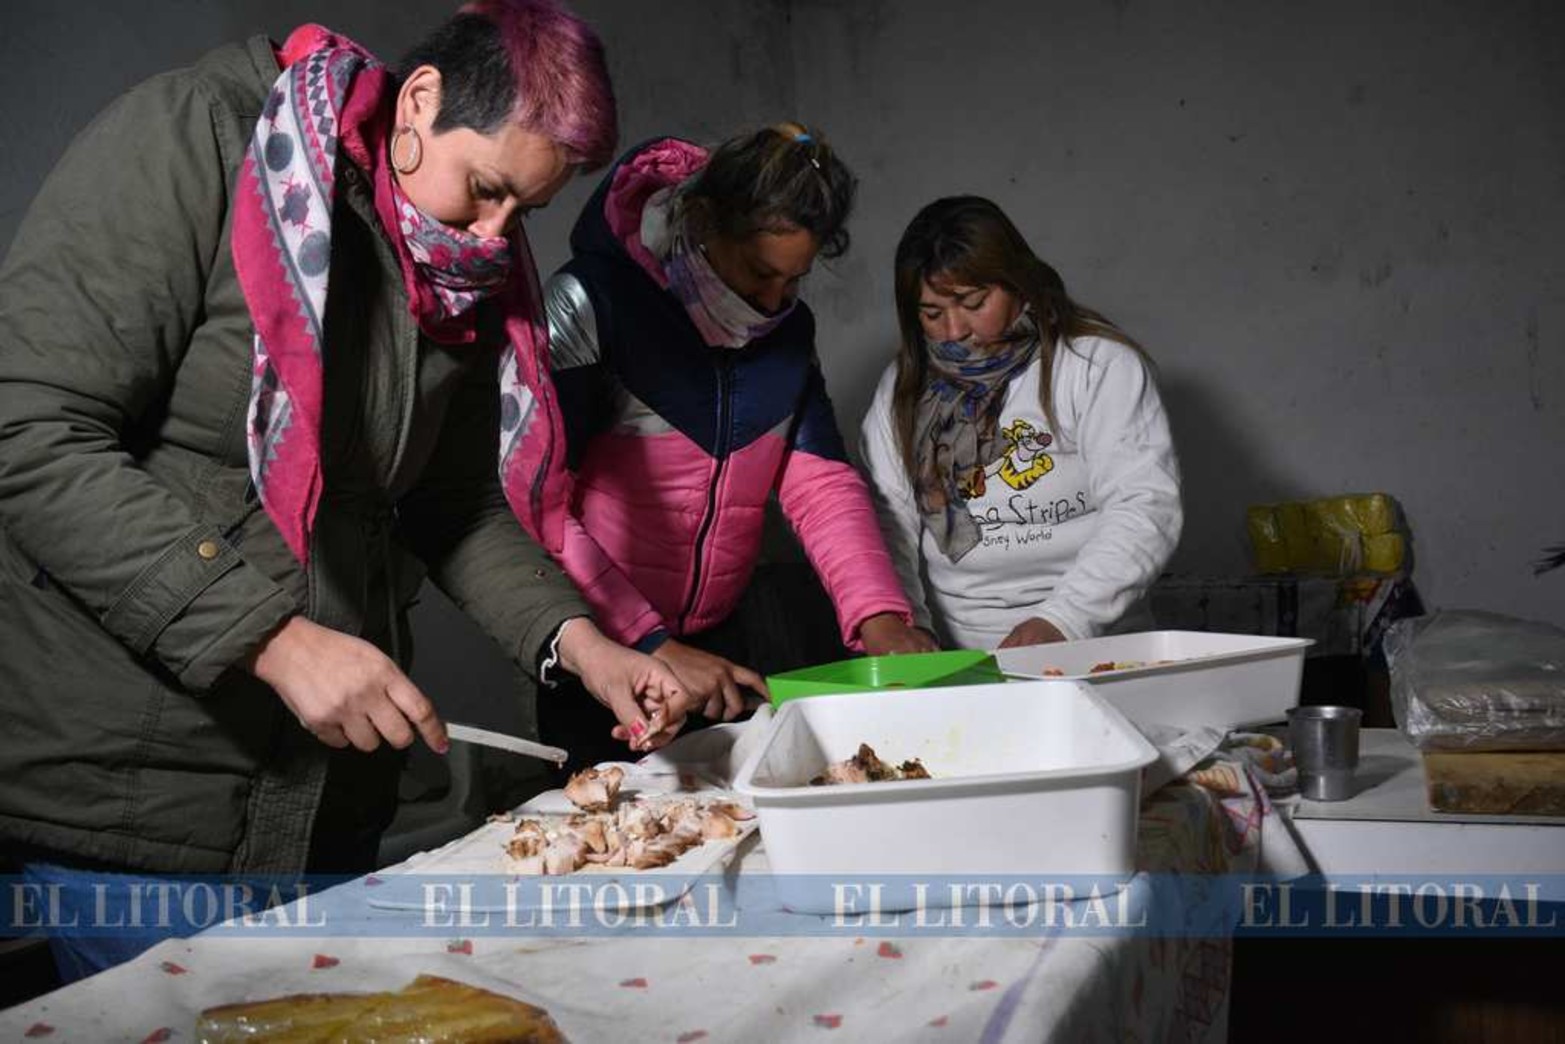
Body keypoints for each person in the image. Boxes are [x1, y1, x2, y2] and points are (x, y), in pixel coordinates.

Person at [0, 0, 692, 979]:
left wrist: (581, 647)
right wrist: (269, 638)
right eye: (486, 190)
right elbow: (25, 433)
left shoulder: (458, 258)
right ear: (419, 102)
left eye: (522, 213)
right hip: (135, 793)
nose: (495, 238)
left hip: (320, 801)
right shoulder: (194, 138)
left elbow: (450, 504)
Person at [535, 122, 935, 769]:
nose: (772, 300)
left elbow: (820, 482)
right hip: (598, 645)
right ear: (701, 219)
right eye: (758, 273)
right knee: (618, 841)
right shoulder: (592, 304)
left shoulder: (785, 333)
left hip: (719, 639)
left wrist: (877, 618)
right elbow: (539, 504)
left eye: (793, 280)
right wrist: (652, 642)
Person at [860, 196, 1182, 651]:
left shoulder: (1095, 366)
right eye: (932, 314)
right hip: (970, 658)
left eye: (973, 303)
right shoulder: (903, 389)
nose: (954, 331)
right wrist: (906, 625)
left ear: (1018, 285)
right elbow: (887, 522)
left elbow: (1145, 505)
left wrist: (1064, 620)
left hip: (1100, 647)